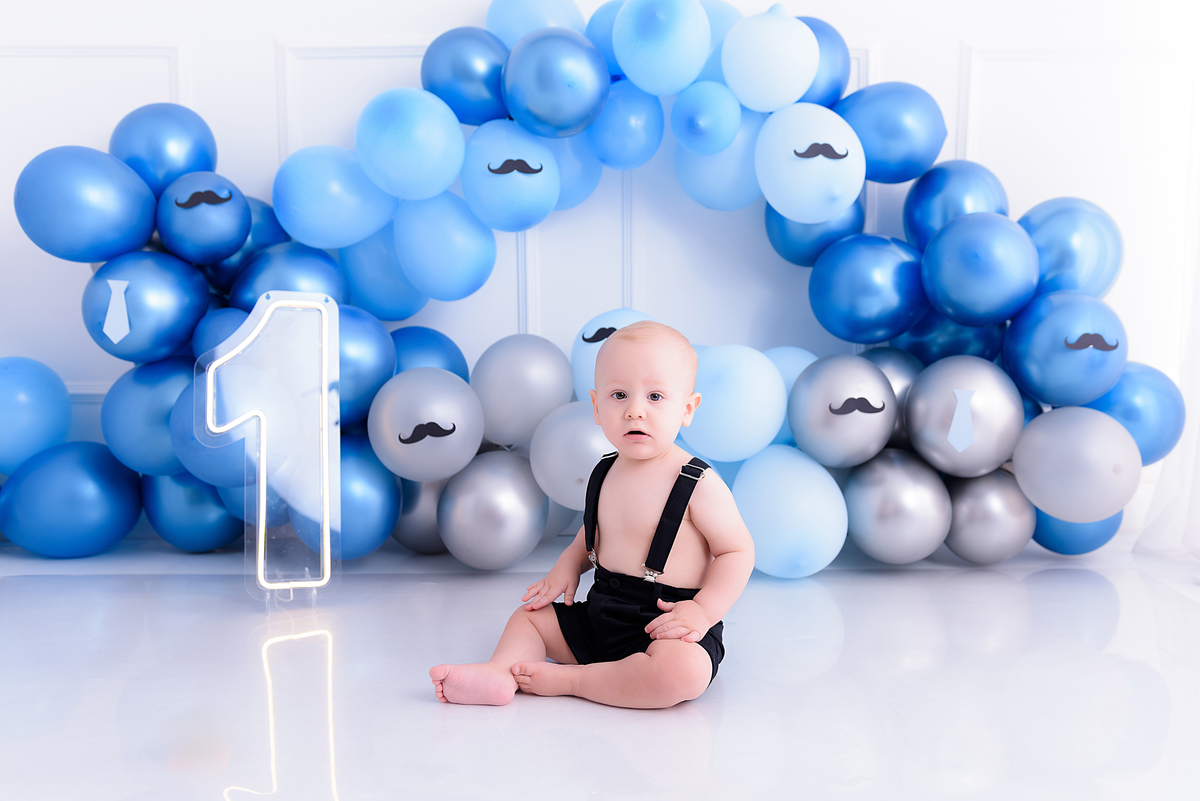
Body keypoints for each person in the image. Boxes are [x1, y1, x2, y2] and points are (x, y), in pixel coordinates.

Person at [429, 321, 755, 708]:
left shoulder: (696, 482)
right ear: (597, 407)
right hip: (603, 612)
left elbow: (737, 552)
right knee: (528, 618)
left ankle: (575, 680)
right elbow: (596, 534)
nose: (635, 411)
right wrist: (570, 564)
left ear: (686, 409)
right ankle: (499, 672)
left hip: (668, 622)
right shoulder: (603, 470)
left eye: (655, 396)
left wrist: (702, 611)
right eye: (619, 395)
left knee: (681, 672)